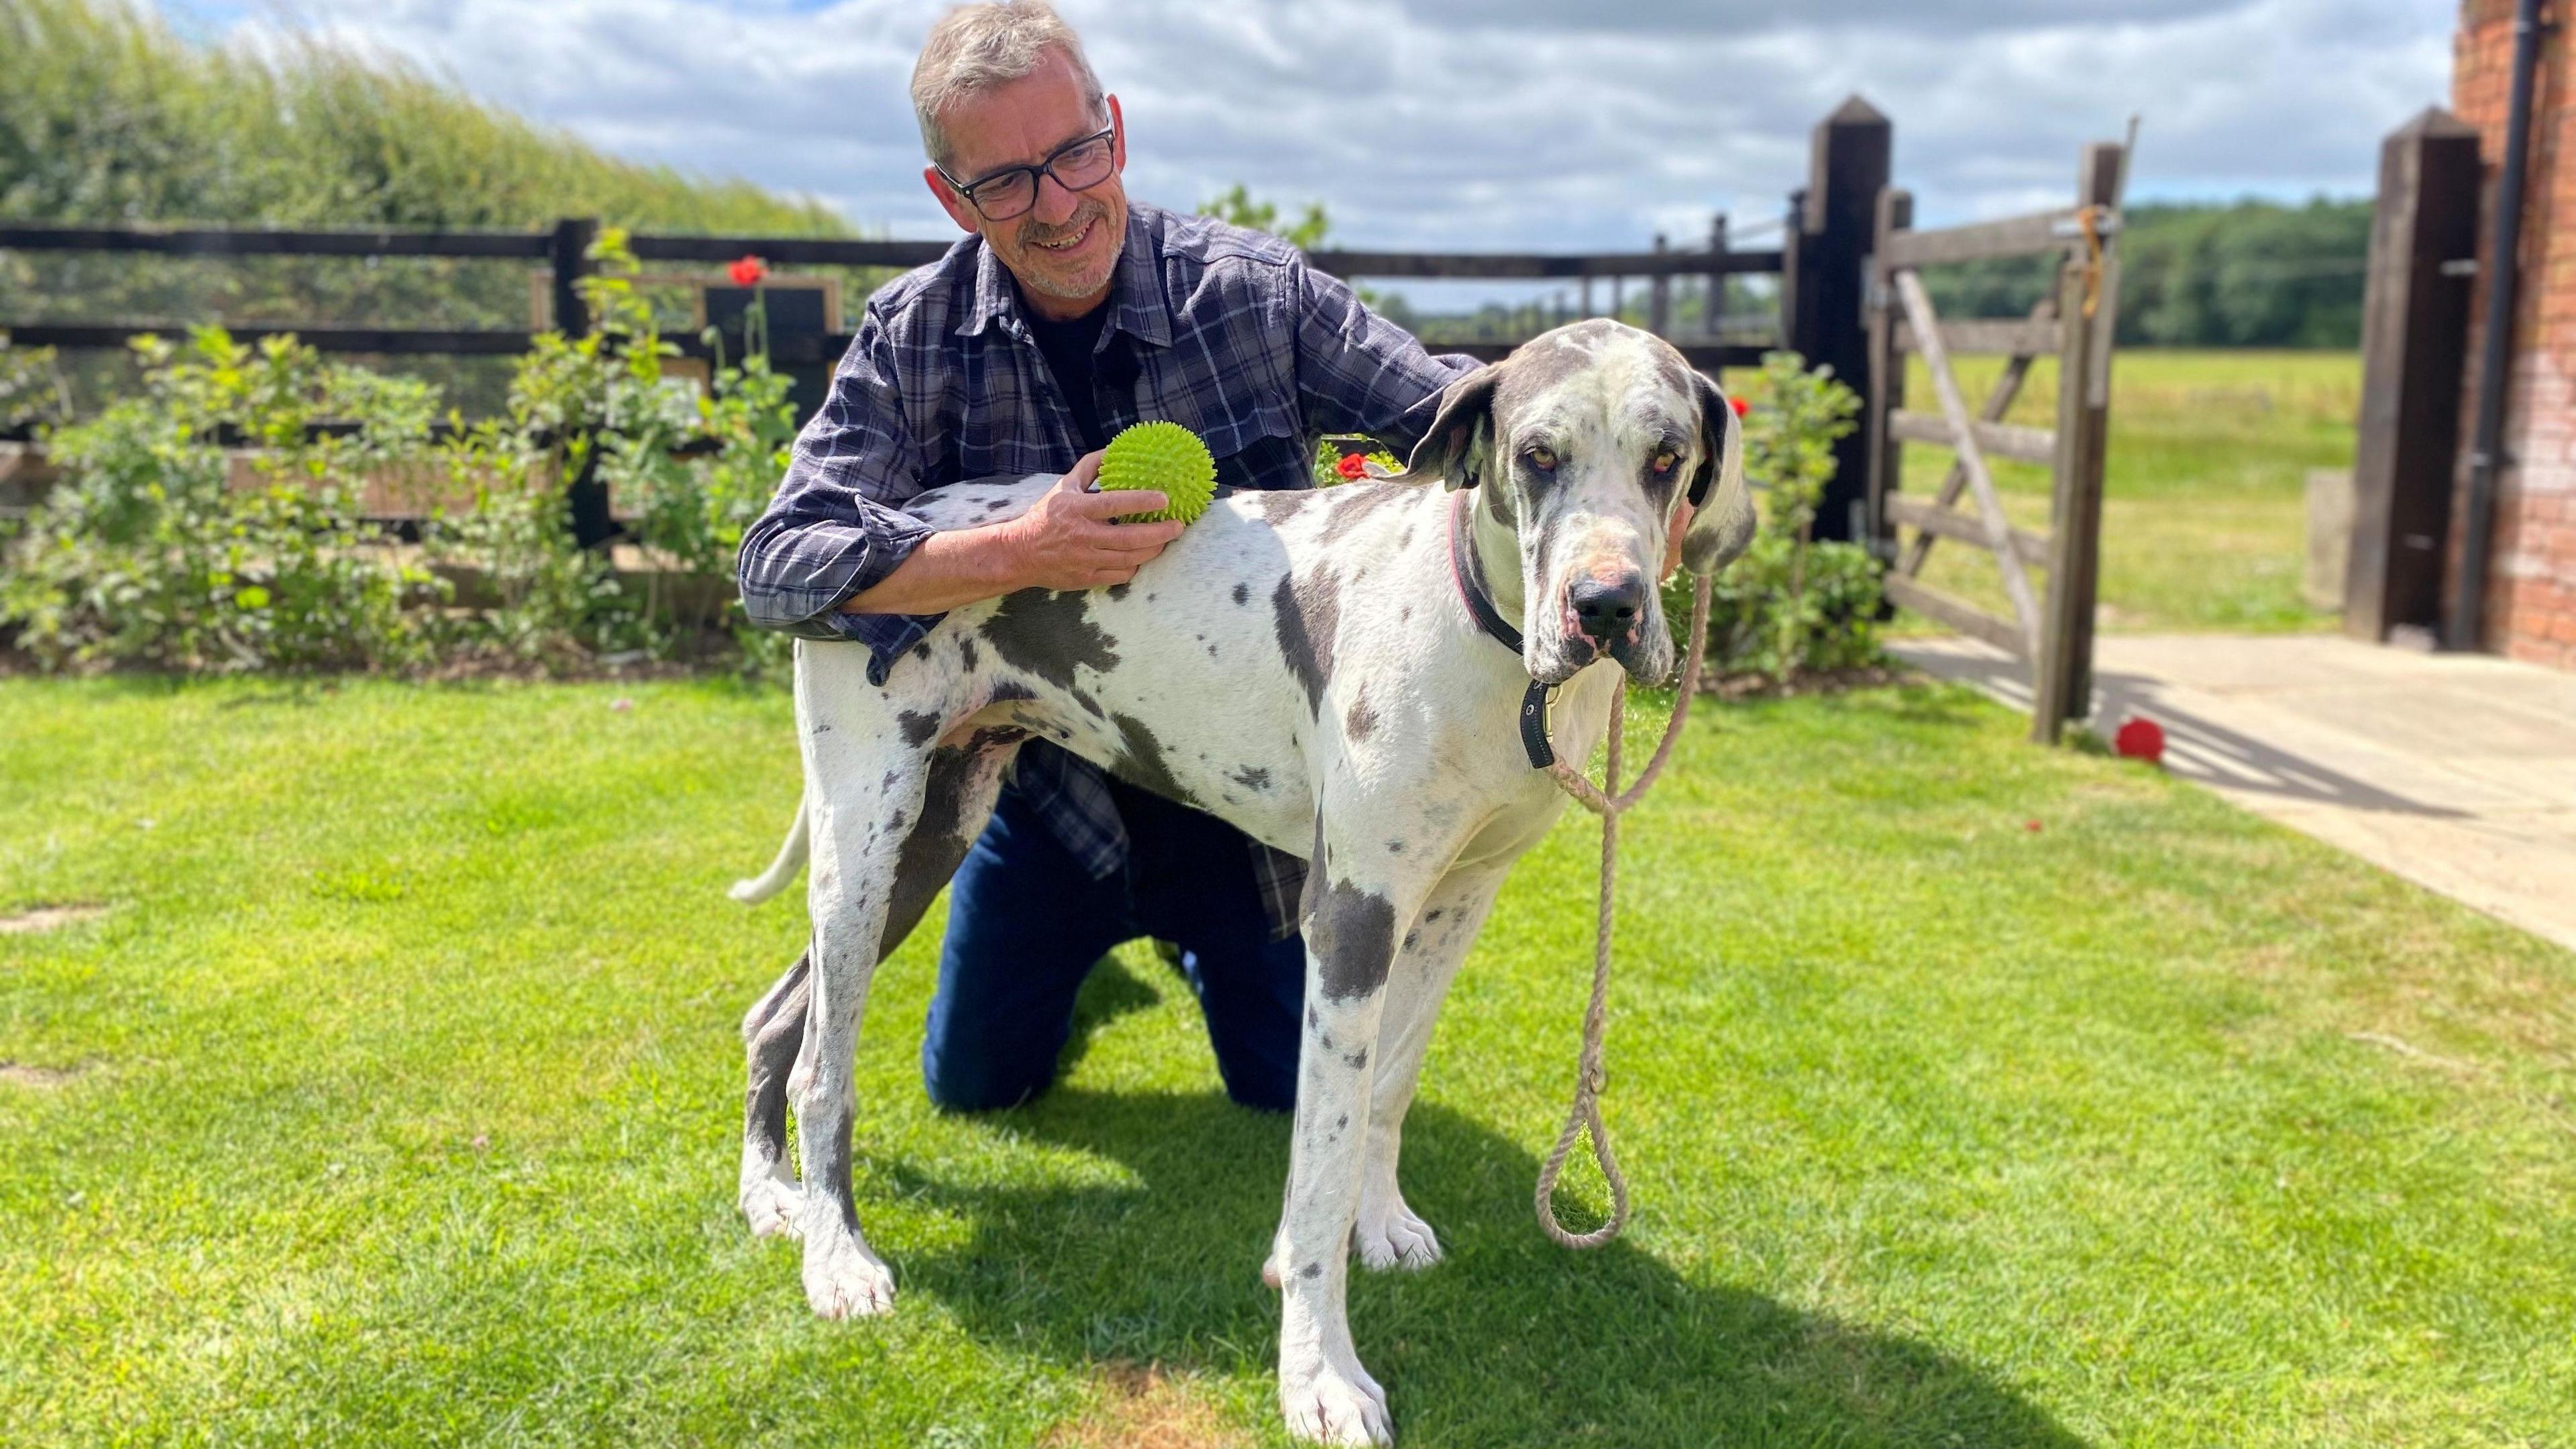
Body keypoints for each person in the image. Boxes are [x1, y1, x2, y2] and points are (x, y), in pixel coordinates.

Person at [736, 0, 1473, 1114]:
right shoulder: (912, 334)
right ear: (953, 198)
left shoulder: (1254, 293)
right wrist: (1019, 550)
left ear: (1114, 130)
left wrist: (1594, 448)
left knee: (1286, 1089)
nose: (1060, 204)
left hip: (1247, 822)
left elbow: (1446, 417)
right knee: (976, 1087)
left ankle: (1198, 948)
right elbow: (779, 566)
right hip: (1042, 808)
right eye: (1007, 182)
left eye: (1077, 154)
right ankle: (1087, 963)